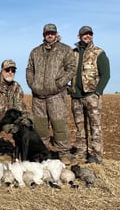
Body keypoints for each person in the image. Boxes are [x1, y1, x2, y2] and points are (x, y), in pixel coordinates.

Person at [26, 23, 76, 164]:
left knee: (59, 124)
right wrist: (33, 84)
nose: (50, 35)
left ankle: (64, 153)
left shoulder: (65, 50)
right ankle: (42, 153)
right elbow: (29, 70)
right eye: (47, 33)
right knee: (40, 127)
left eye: (52, 33)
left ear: (56, 34)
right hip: (38, 97)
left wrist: (59, 84)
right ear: (44, 34)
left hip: (56, 95)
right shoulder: (35, 52)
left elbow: (71, 68)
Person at [69, 26, 110, 164]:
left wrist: (98, 92)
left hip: (92, 95)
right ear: (78, 36)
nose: (87, 36)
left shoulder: (99, 53)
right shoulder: (72, 53)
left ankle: (97, 155)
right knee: (80, 127)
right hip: (76, 96)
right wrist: (70, 89)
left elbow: (106, 75)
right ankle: (81, 152)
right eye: (84, 34)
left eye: (89, 34)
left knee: (95, 126)